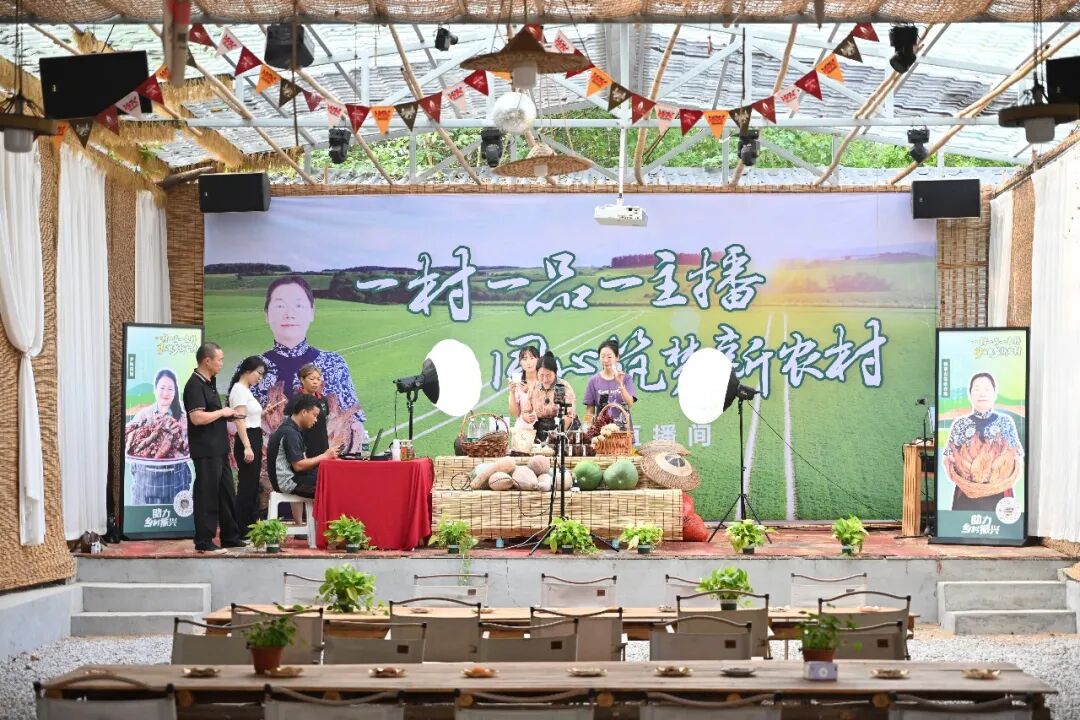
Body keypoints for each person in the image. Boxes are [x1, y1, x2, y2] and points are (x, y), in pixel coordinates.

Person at [250, 276, 366, 452]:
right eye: (280, 306)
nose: (289, 313)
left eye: (298, 305)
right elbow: (236, 420)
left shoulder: (334, 363)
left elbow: (355, 419)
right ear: (266, 313)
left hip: (325, 456)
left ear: (312, 311)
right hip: (270, 460)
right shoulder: (251, 368)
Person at [183, 342, 243, 554]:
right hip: (206, 449)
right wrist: (222, 413)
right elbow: (197, 417)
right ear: (207, 361)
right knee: (207, 494)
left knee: (226, 492)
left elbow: (213, 414)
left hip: (219, 448)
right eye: (220, 359)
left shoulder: (210, 383)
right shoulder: (194, 385)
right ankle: (204, 541)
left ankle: (230, 537)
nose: (221, 363)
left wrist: (229, 415)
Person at [942, 372, 1025, 512]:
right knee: (964, 523)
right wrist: (952, 464)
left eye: (987, 389)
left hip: (1000, 491)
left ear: (995, 394)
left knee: (999, 523)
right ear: (970, 394)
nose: (982, 393)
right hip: (966, 492)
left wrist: (1010, 467)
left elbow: (1016, 454)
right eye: (977, 389)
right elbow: (948, 456)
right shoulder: (960, 423)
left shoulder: (1005, 421)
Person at [125, 368, 192, 505]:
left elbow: (188, 445)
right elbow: (128, 435)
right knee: (142, 515)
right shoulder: (144, 414)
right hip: (144, 483)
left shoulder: (182, 418)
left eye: (170, 389)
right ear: (155, 390)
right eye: (162, 388)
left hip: (176, 481)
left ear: (175, 392)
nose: (165, 393)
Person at [266, 394, 339, 500]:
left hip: (294, 477)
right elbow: (298, 466)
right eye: (314, 415)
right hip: (288, 482)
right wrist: (325, 456)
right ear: (304, 412)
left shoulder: (291, 429)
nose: (316, 420)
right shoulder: (290, 433)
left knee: (330, 476)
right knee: (334, 484)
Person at [228, 356, 267, 533]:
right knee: (246, 485)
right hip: (248, 438)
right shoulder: (239, 390)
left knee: (252, 485)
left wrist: (265, 413)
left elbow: (250, 416)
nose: (260, 377)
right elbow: (240, 420)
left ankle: (249, 525)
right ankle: (240, 527)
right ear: (247, 370)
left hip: (254, 435)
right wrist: (247, 446)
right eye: (259, 373)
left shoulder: (246, 390)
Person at [521, 351, 578, 443]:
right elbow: (525, 411)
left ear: (555, 372)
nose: (545, 379)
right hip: (541, 430)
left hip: (563, 429)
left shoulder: (561, 387)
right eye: (541, 375)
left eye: (548, 375)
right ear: (537, 372)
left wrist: (557, 434)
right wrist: (527, 417)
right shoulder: (534, 387)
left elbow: (569, 415)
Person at [583, 339, 637, 431]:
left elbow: (630, 403)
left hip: (623, 433)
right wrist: (587, 428)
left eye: (609, 357)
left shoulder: (626, 378)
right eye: (602, 357)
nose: (605, 360)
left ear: (617, 357)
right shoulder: (593, 381)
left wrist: (620, 384)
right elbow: (589, 410)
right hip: (601, 433)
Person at [508, 345, 540, 419]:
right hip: (522, 425)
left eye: (532, 358)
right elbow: (515, 414)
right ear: (520, 362)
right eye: (525, 359)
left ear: (538, 360)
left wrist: (530, 391)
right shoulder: (517, 381)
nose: (528, 362)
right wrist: (512, 393)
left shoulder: (545, 380)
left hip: (543, 425)